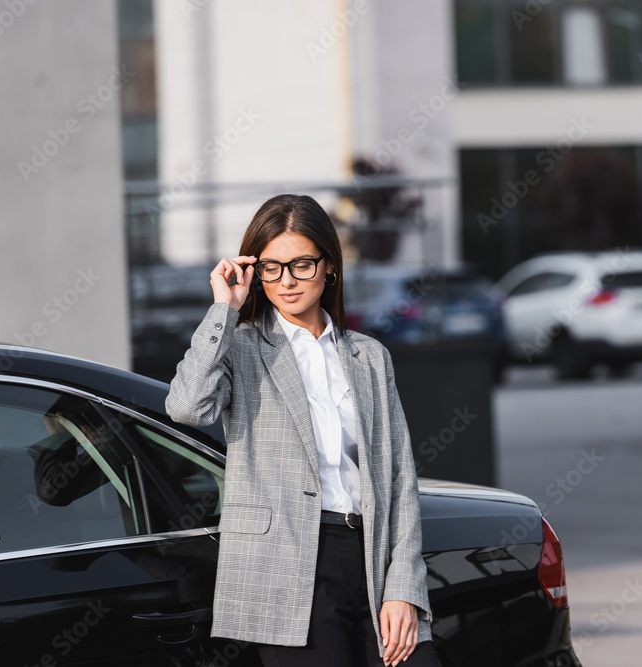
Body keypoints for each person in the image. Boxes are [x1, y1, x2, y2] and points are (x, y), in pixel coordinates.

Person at [165, 194, 443, 667]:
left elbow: (400, 477)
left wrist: (404, 588)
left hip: (371, 556)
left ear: (329, 266)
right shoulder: (242, 347)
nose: (287, 281)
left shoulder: (369, 355)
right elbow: (187, 407)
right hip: (288, 568)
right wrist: (222, 310)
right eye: (271, 268)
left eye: (301, 265)